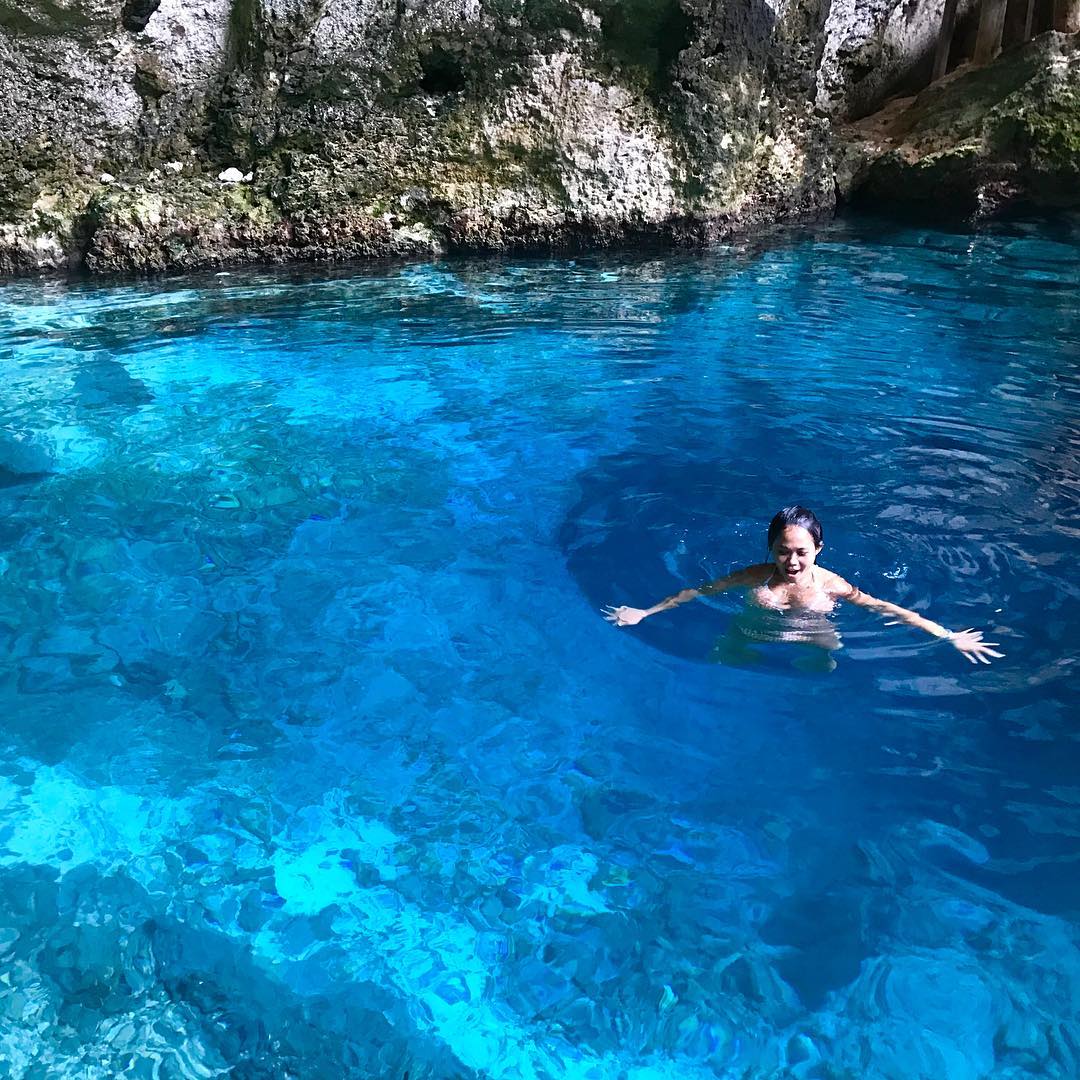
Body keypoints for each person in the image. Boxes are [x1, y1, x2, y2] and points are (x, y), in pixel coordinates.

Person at [603, 505, 1004, 665]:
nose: (792, 562)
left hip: (814, 636)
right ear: (771, 549)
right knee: (723, 655)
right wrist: (645, 612)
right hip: (749, 630)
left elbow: (888, 608)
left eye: (801, 552)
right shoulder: (754, 575)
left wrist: (947, 635)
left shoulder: (833, 585)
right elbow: (698, 592)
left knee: (827, 663)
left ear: (818, 550)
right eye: (782, 551)